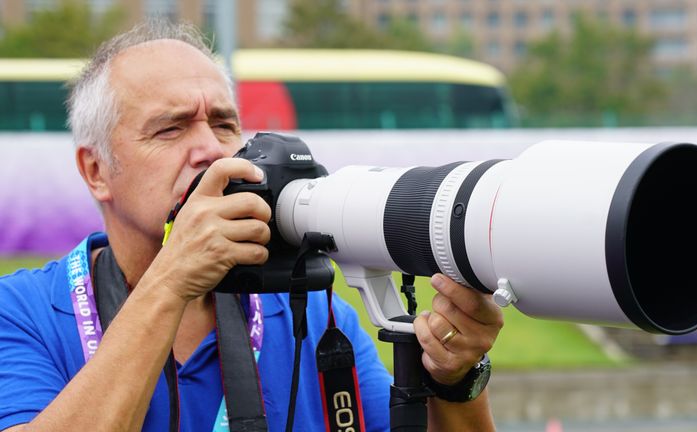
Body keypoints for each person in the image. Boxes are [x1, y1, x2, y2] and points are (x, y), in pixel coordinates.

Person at [0, 20, 503, 432]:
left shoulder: (315, 318)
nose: (211, 151)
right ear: (95, 170)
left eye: (223, 124)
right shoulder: (22, 313)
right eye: (170, 128)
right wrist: (172, 280)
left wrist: (455, 380)